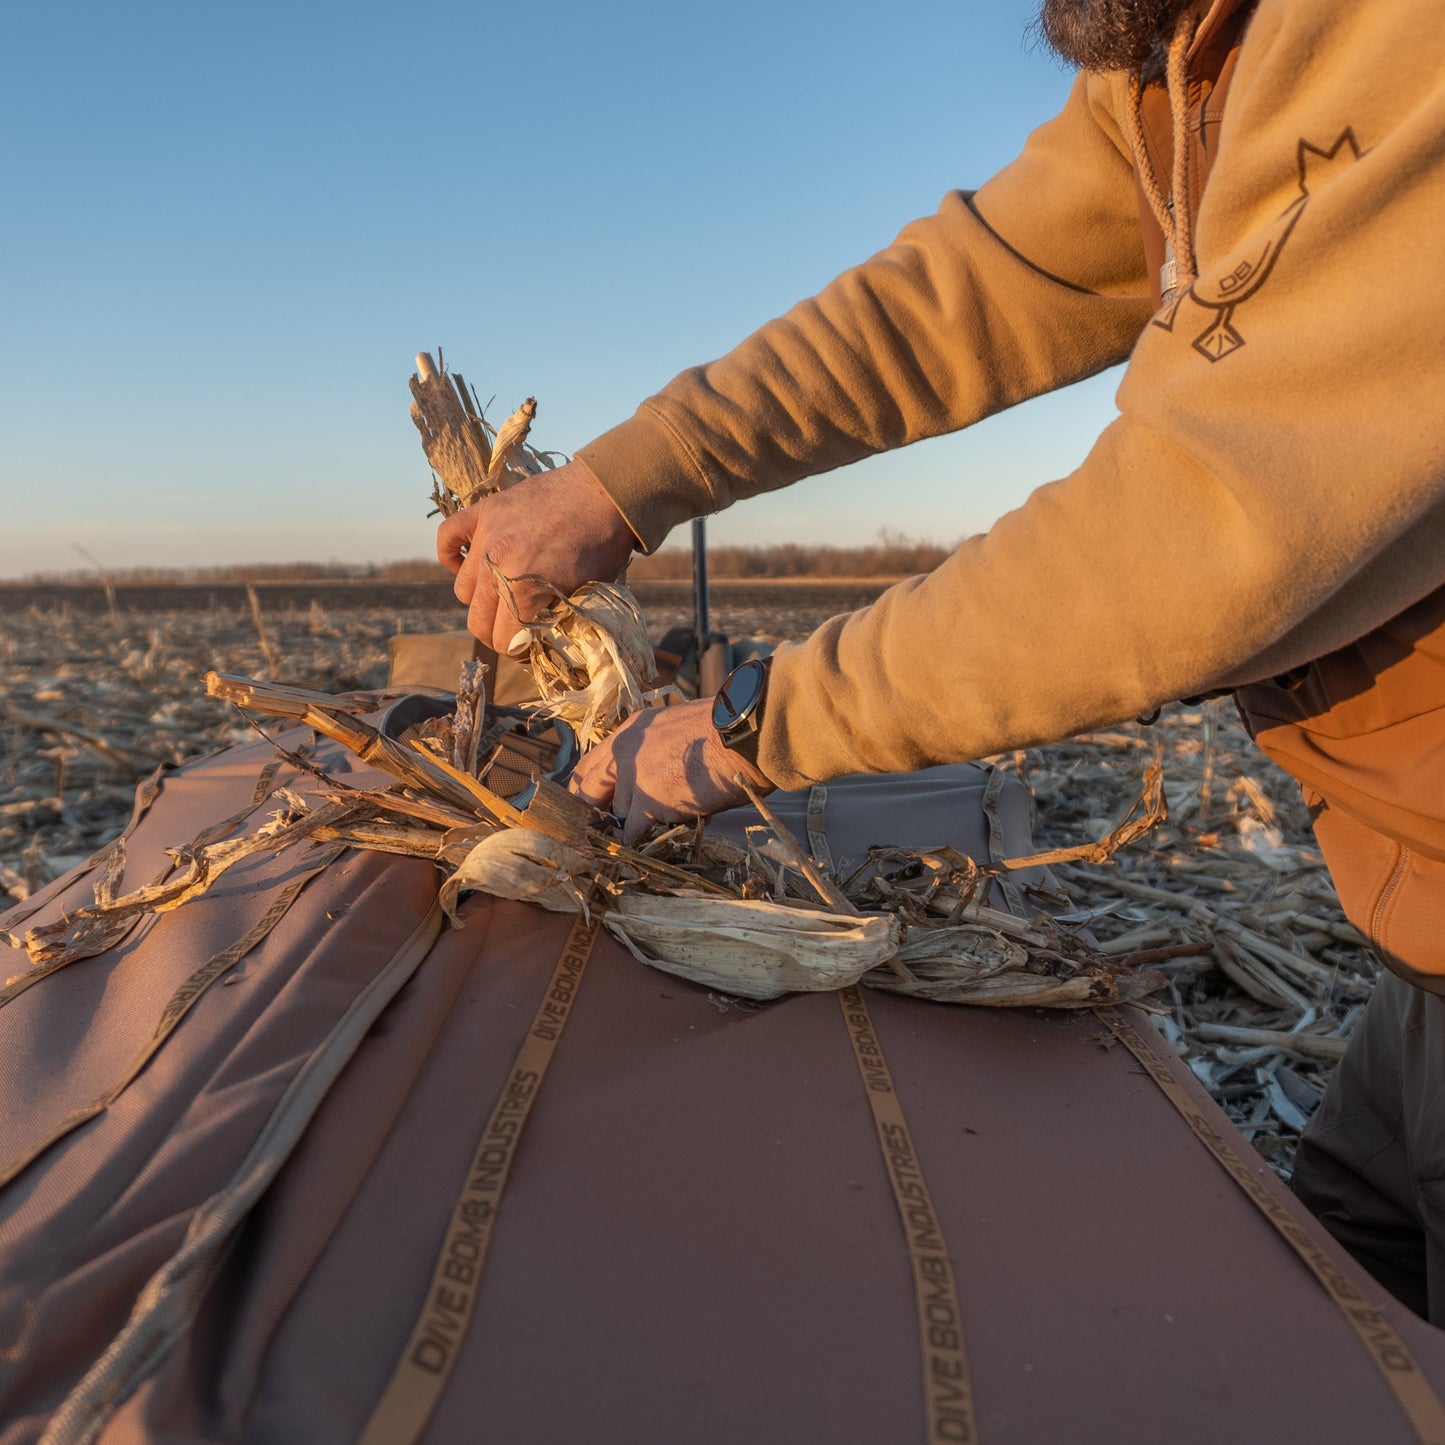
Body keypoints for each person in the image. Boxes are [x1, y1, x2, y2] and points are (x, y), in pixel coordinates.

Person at [437, 0, 1445, 1319]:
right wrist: (619, 485)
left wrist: (751, 723)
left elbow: (1197, 530)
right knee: (1344, 1299)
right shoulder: (1180, 61)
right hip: (1421, 924)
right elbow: (953, 298)